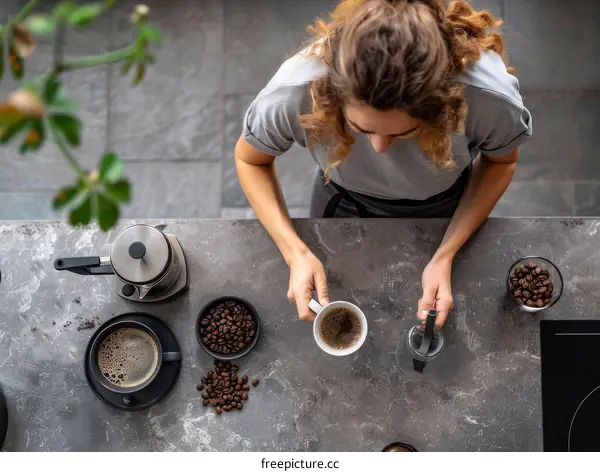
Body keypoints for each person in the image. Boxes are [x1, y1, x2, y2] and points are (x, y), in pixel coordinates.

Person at [234, 0, 532, 327]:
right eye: (361, 129)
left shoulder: (488, 97)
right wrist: (296, 254)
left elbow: (500, 162)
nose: (378, 148)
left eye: (403, 133)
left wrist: (445, 255)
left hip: (448, 203)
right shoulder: (297, 89)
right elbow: (251, 161)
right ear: (333, 94)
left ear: (444, 105)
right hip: (342, 198)